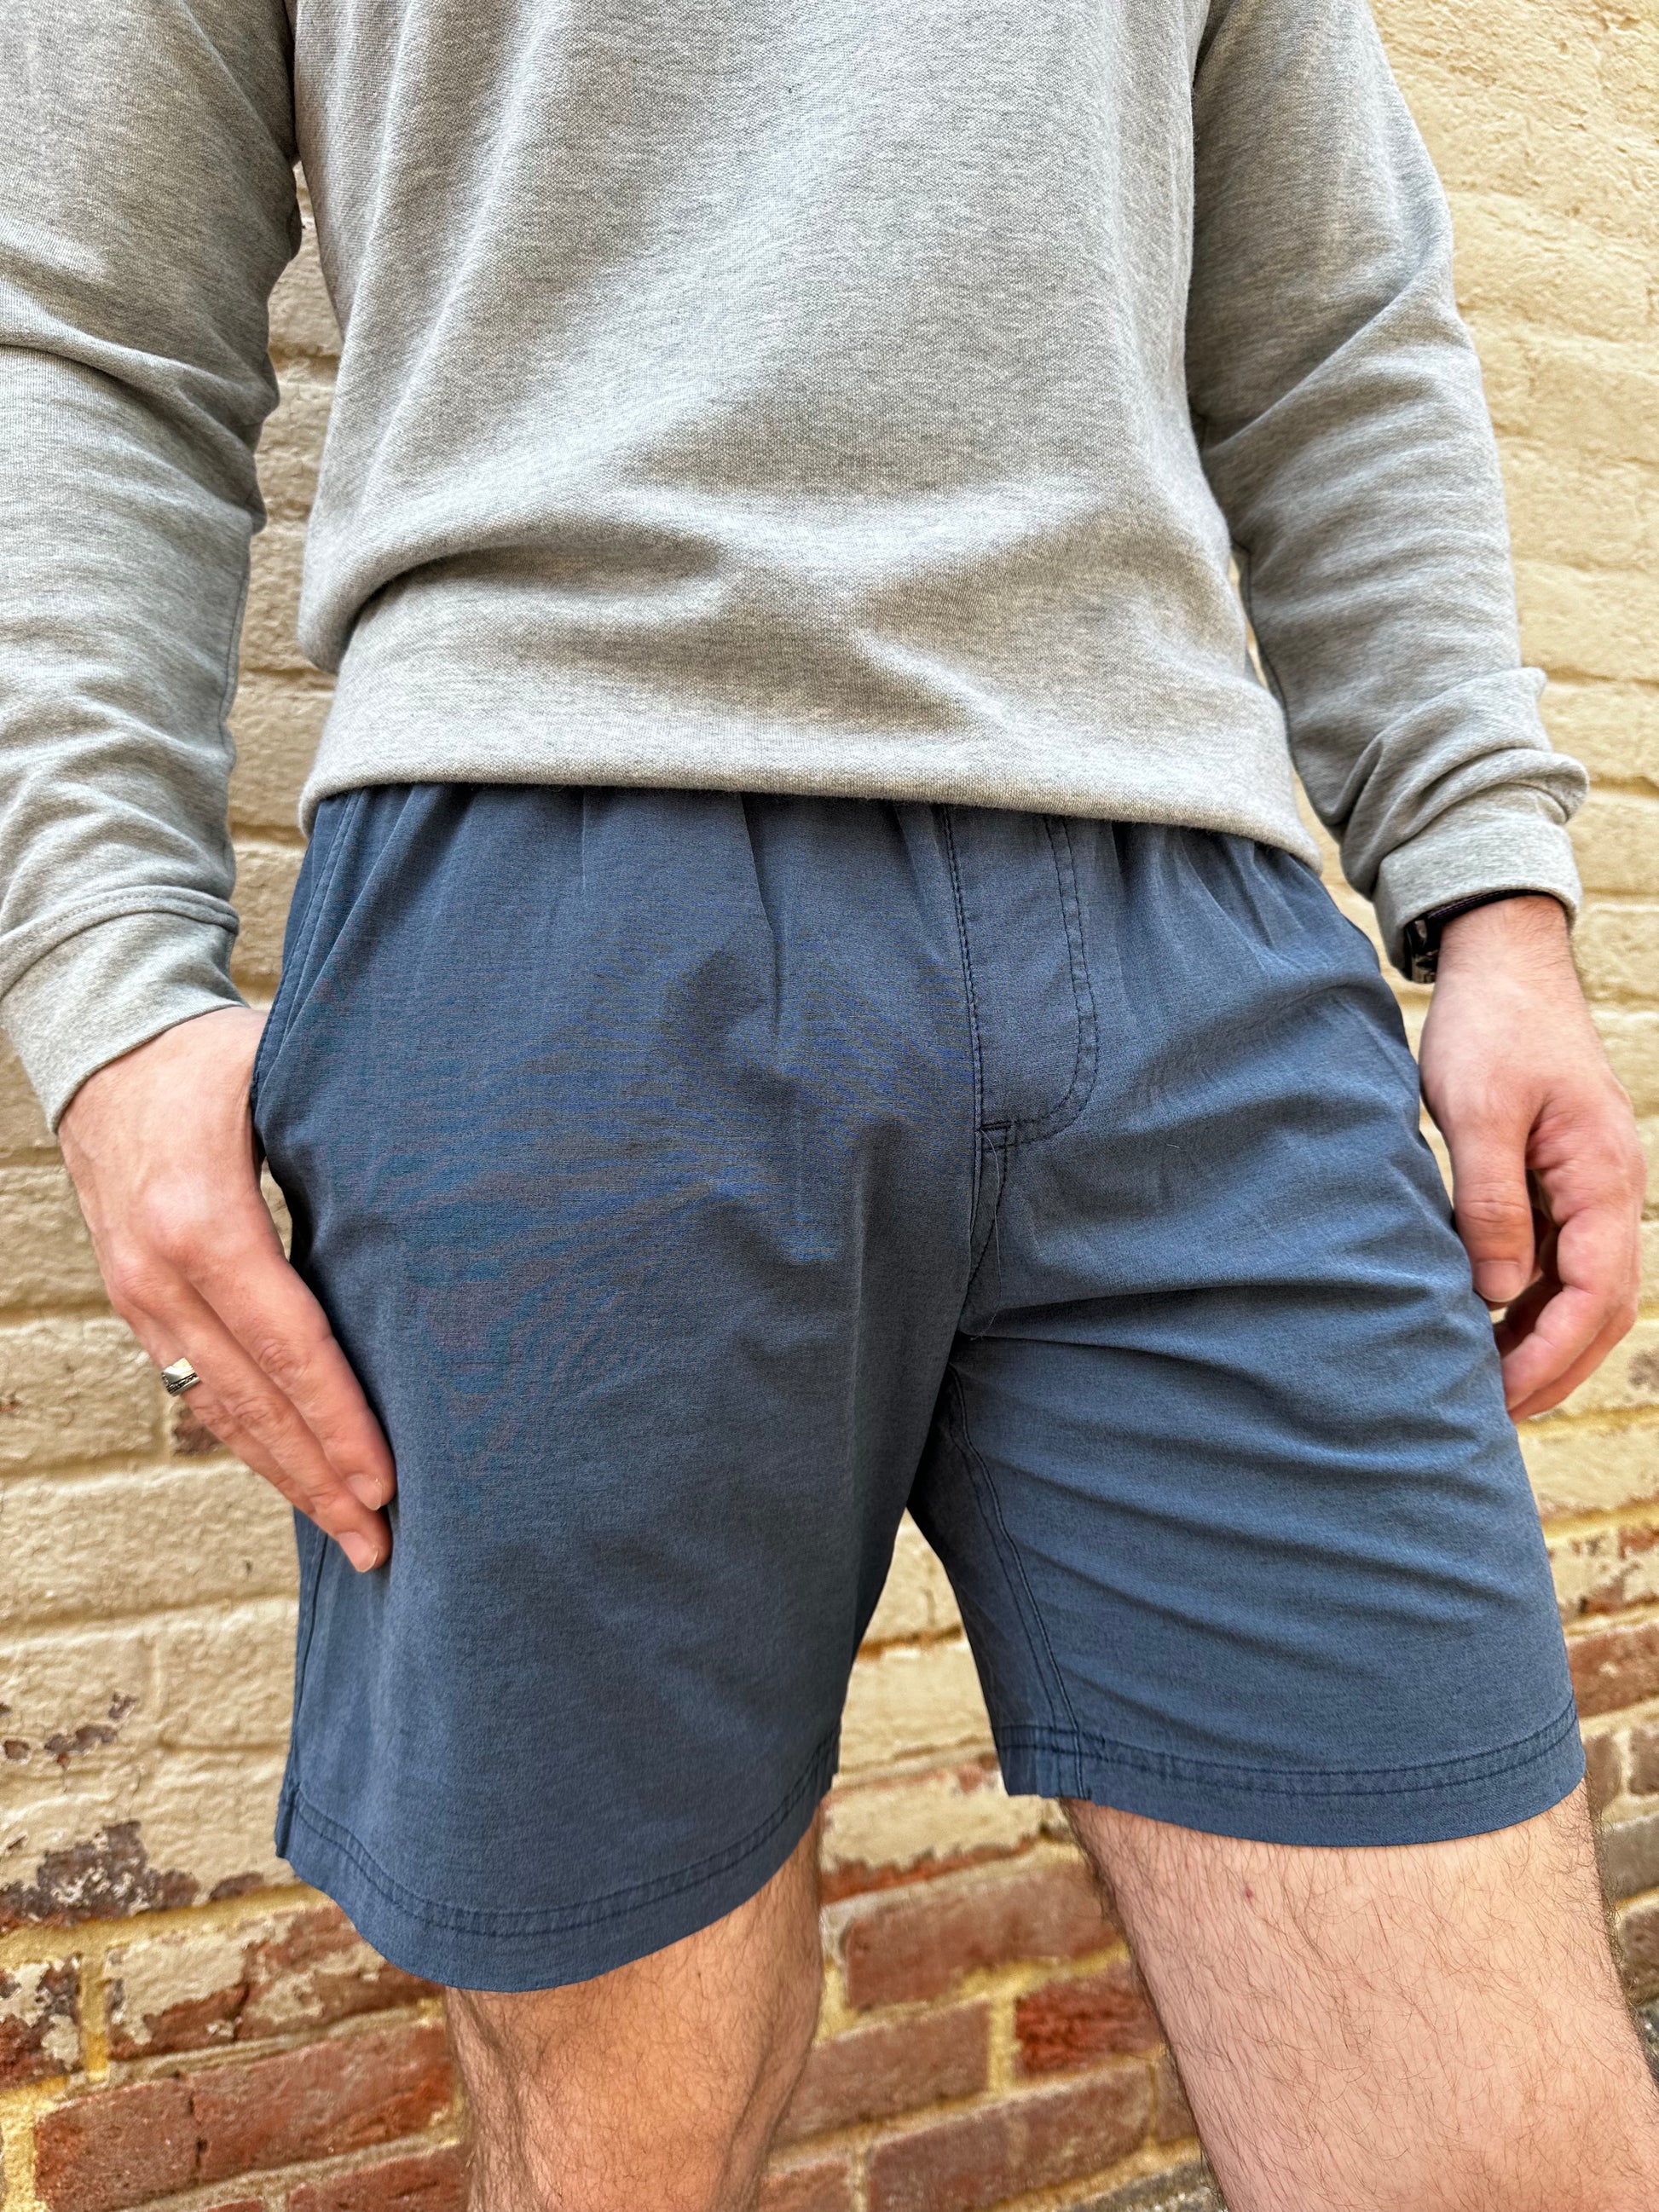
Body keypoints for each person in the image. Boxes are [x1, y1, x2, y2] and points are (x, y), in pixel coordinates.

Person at [3, 0, 1654, 2204]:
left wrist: (1492, 896)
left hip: (1196, 939)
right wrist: (106, 995)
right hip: (556, 917)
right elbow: (87, 335)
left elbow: (1332, 327)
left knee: (1506, 2148)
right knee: (626, 2121)